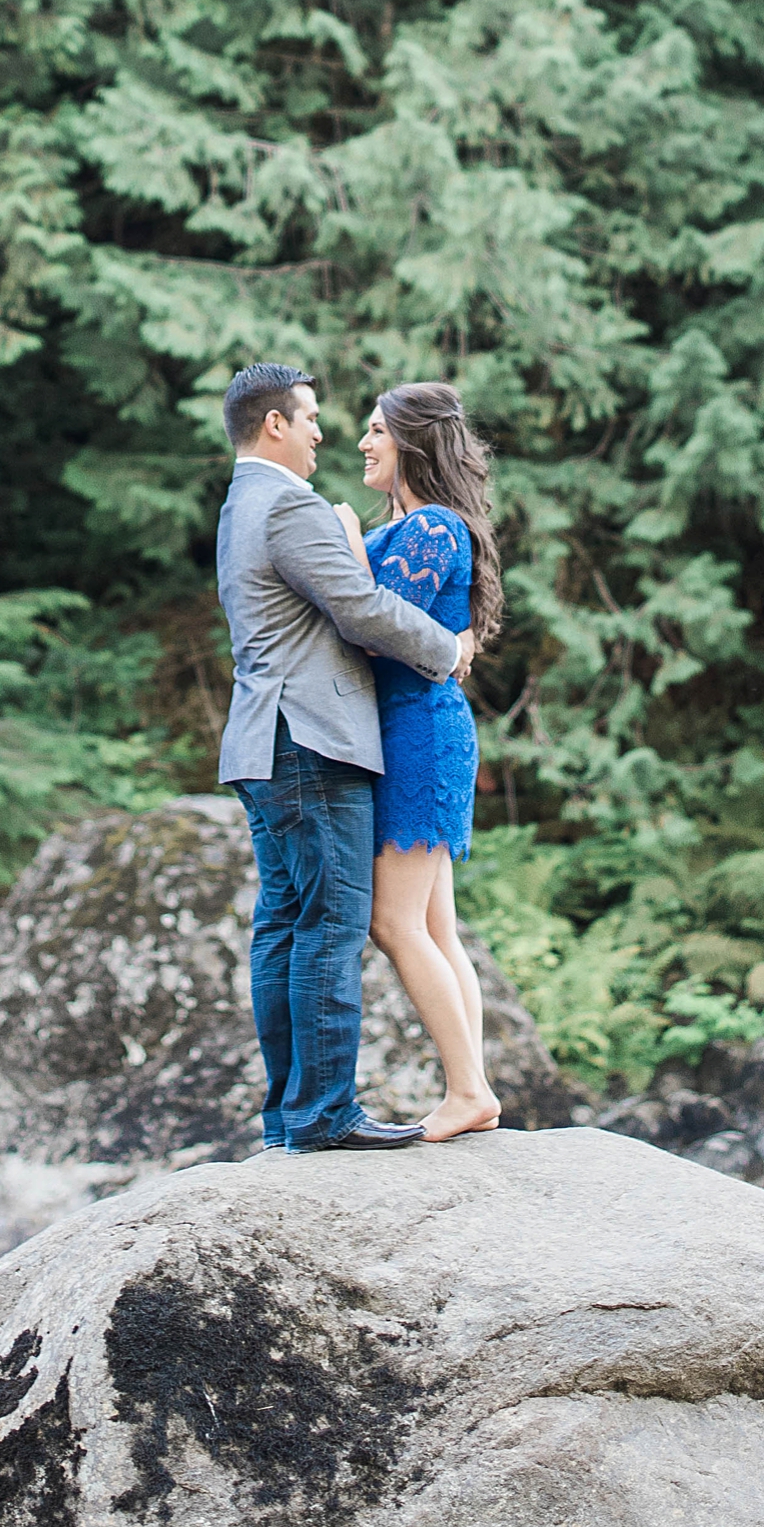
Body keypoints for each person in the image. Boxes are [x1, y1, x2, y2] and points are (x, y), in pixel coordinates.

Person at [215, 360, 480, 1156]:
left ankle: (289, 1116)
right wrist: (451, 647)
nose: (325, 433)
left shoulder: (241, 504)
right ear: (275, 425)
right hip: (311, 737)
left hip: (266, 738)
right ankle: (323, 1112)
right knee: (331, 923)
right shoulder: (289, 505)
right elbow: (363, 610)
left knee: (287, 925)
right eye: (311, 418)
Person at [335, 379, 503, 1142]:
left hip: (418, 731)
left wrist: (341, 540)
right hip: (416, 726)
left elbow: (376, 627)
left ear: (412, 441)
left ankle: (467, 1090)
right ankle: (473, 1087)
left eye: (376, 430)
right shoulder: (411, 526)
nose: (363, 443)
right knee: (437, 925)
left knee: (393, 919)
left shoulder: (432, 527)